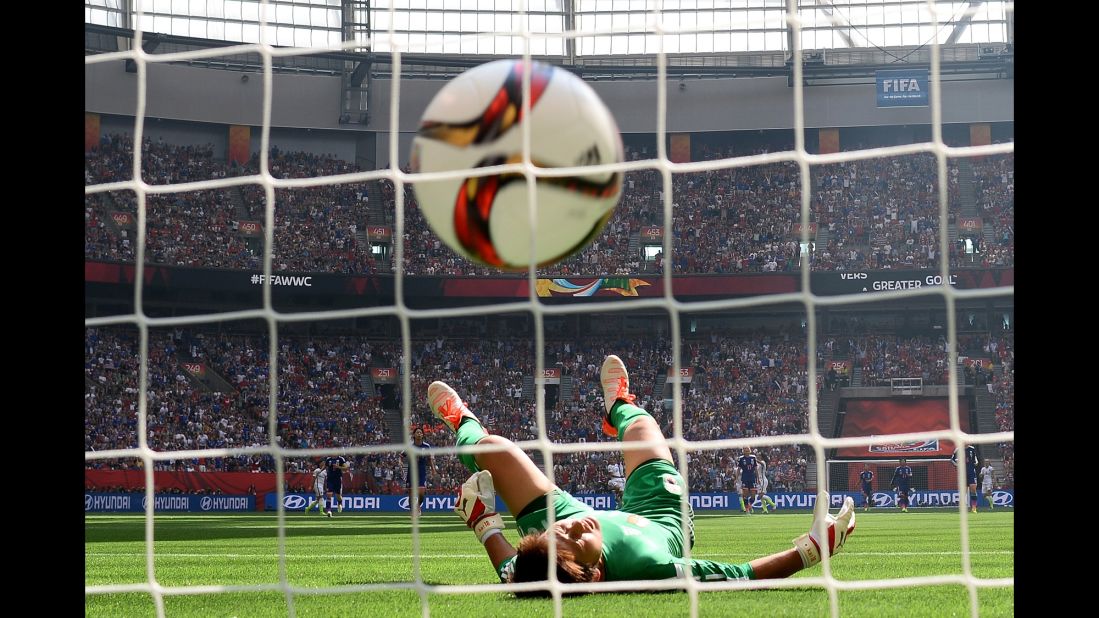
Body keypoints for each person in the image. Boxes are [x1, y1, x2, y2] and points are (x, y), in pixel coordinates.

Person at [430, 354, 856, 593]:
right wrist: (811, 550)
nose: (576, 527)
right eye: (579, 540)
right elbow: (739, 574)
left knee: (494, 450)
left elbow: (513, 570)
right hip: (659, 521)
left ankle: (463, 421)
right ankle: (620, 405)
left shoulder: (547, 548)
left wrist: (485, 525)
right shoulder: (650, 564)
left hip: (558, 525)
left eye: (563, 532)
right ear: (595, 573)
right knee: (643, 427)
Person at [403, 426, 435, 516]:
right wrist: (400, 463)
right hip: (411, 472)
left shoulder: (426, 446)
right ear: (414, 435)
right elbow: (401, 456)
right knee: (411, 494)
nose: (419, 434)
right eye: (417, 432)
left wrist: (433, 470)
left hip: (421, 472)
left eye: (421, 432)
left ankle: (417, 506)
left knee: (421, 494)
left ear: (423, 435)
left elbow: (429, 459)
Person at [951, 445, 980, 513]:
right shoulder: (958, 449)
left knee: (973, 488)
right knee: (963, 491)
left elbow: (975, 459)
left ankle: (974, 508)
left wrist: (976, 462)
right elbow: (952, 459)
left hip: (971, 472)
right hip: (963, 473)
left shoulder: (972, 449)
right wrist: (958, 465)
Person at [736, 447, 760, 515]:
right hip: (745, 478)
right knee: (745, 494)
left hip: (752, 478)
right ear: (743, 451)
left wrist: (758, 478)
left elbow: (756, 469)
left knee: (753, 496)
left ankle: (749, 505)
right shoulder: (741, 458)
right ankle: (747, 510)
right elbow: (738, 469)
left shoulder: (753, 458)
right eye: (745, 450)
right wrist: (736, 478)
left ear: (750, 451)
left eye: (748, 450)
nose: (747, 452)